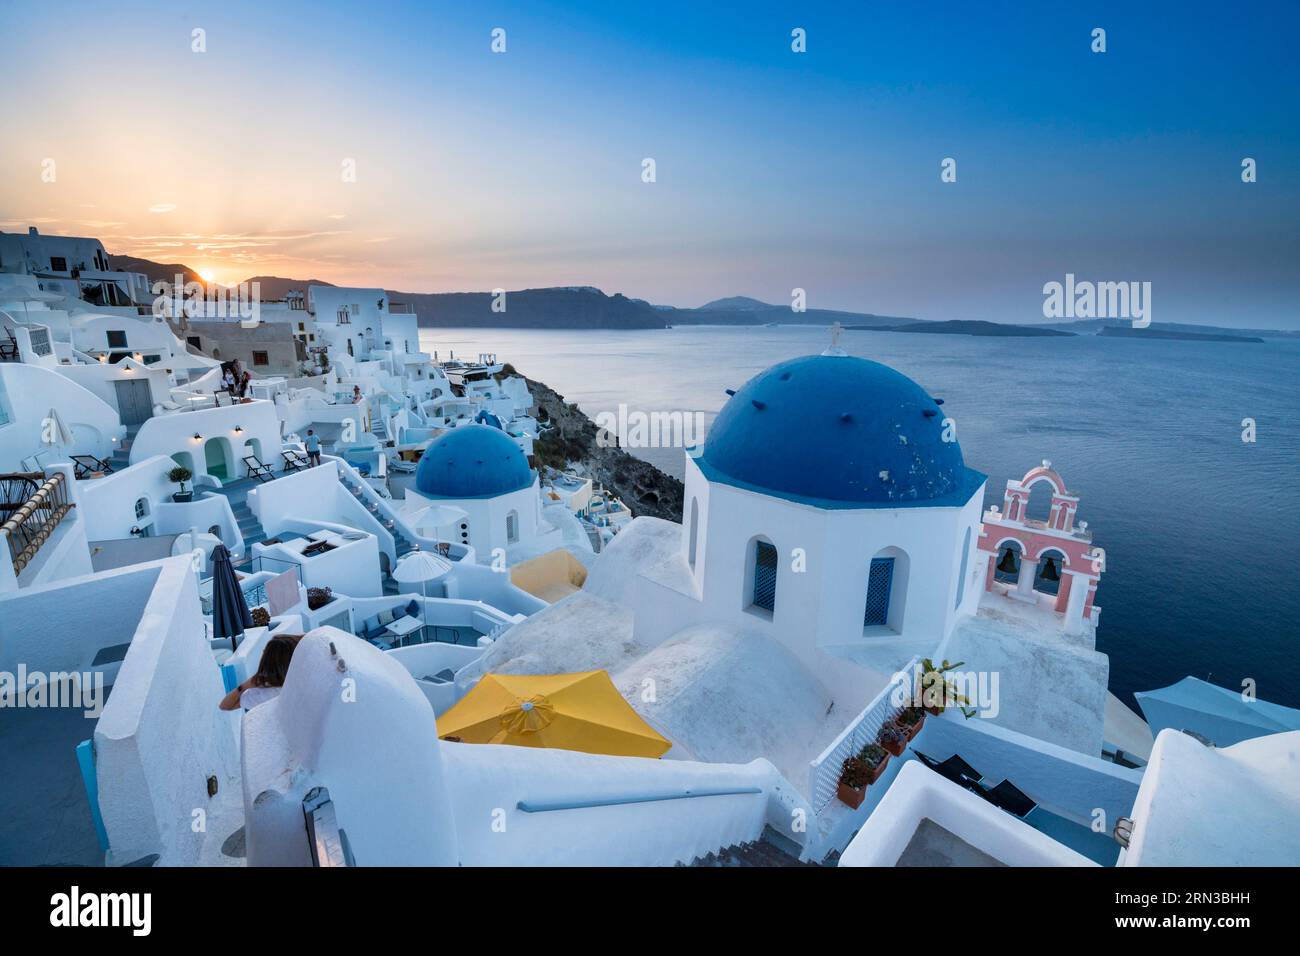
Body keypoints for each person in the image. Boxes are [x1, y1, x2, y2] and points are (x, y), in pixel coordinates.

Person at [219, 633, 303, 711]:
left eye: (265, 651)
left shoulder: (267, 695)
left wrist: (246, 685)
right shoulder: (305, 680)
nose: (262, 652)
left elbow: (225, 706)